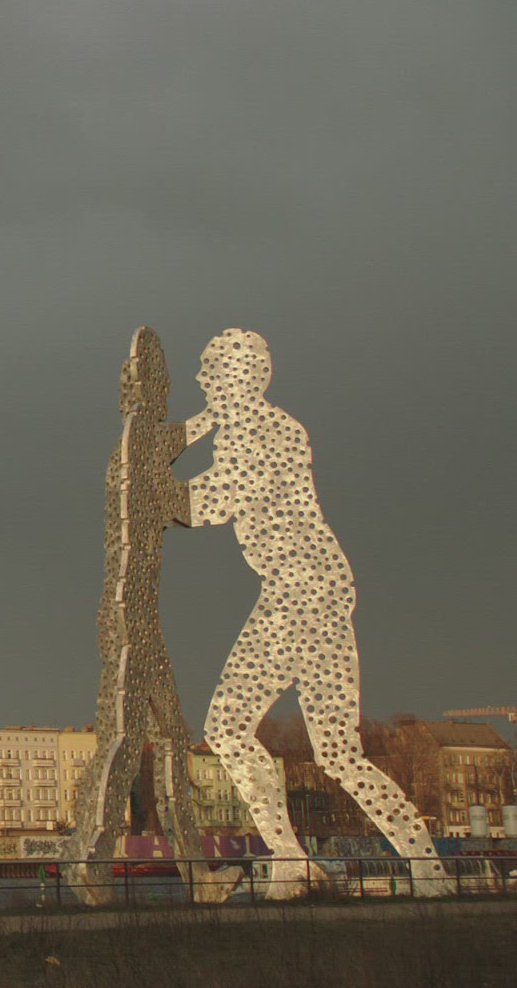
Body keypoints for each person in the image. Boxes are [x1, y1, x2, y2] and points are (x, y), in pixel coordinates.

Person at [185, 329, 450, 898]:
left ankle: (290, 859)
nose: (202, 380)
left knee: (227, 728)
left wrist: (144, 483)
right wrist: (187, 431)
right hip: (317, 591)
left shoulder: (264, 432)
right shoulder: (256, 427)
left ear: (244, 377)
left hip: (299, 592)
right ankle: (428, 869)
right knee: (338, 754)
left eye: (212, 371)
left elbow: (210, 502)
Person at [67, 327, 230, 903]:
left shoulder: (130, 446)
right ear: (152, 387)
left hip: (135, 618)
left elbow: (180, 455)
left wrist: (215, 421)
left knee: (171, 739)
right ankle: (90, 860)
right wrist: (229, 437)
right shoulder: (142, 443)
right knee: (124, 740)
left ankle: (195, 875)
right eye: (160, 381)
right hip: (132, 621)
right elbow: (186, 503)